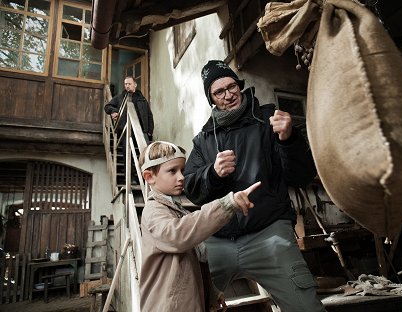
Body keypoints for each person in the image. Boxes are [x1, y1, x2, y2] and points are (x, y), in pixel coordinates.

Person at [183, 60, 326, 311]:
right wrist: (213, 174)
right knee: (190, 301)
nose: (228, 95)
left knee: (307, 308)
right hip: (218, 241)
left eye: (232, 86)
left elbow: (300, 176)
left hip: (269, 234)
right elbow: (192, 190)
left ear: (239, 86)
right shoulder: (203, 139)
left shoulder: (269, 120)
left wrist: (289, 140)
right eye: (219, 92)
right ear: (212, 99)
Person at [138, 140, 261, 312]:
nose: (181, 177)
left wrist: (211, 292)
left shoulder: (176, 210)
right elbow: (179, 235)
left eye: (182, 170)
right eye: (172, 171)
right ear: (149, 177)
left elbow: (192, 263)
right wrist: (225, 205)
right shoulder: (153, 211)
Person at [105, 76, 154, 183]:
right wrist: (113, 111)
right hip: (126, 131)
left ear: (135, 85)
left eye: (129, 84)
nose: (127, 86)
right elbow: (107, 106)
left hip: (142, 131)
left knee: (145, 155)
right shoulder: (119, 98)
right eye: (125, 84)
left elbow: (149, 115)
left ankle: (146, 176)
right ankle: (131, 178)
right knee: (128, 154)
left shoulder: (142, 99)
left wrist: (150, 130)